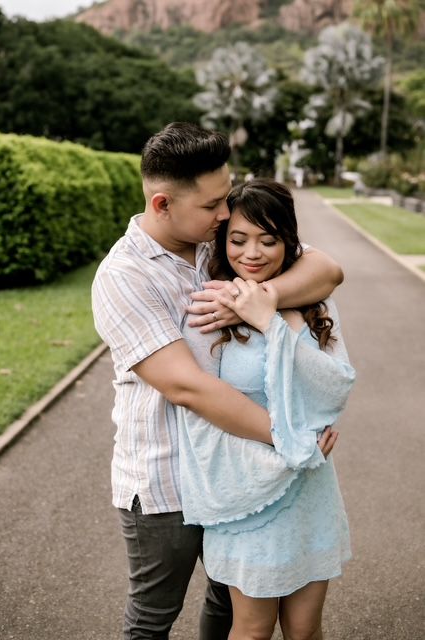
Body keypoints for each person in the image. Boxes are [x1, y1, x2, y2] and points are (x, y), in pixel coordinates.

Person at [91, 122, 344, 640]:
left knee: (228, 601)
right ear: (162, 204)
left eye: (226, 198)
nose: (226, 214)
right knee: (153, 617)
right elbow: (187, 387)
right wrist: (291, 436)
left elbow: (325, 270)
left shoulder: (217, 244)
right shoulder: (124, 276)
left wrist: (256, 301)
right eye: (212, 205)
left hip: (239, 469)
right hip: (165, 479)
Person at [178, 178, 356, 640]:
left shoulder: (312, 302)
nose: (252, 253)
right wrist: (291, 446)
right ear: (223, 241)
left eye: (268, 240)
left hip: (309, 489)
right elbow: (202, 412)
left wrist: (270, 317)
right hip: (247, 492)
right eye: (238, 240)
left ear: (289, 242)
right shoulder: (210, 307)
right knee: (253, 630)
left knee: (304, 629)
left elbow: (332, 390)